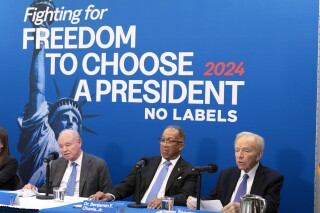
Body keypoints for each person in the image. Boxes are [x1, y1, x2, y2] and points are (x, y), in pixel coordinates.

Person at [17, 0, 90, 187]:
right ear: (52, 121)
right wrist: (40, 37)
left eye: (76, 121)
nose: (71, 123)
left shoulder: (91, 164)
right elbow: (37, 88)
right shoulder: (42, 136)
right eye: (65, 118)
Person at [89, 125, 197, 208]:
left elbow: (185, 196)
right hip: (138, 210)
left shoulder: (189, 170)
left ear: (180, 146)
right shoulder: (146, 162)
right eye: (163, 140)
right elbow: (127, 185)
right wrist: (109, 195)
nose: (164, 144)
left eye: (170, 141)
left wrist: (164, 200)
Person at [187, 131, 284, 213]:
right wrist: (196, 203)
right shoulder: (226, 174)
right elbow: (213, 198)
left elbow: (271, 207)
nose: (239, 155)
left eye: (246, 151)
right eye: (237, 150)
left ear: (259, 155)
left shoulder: (272, 178)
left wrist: (243, 208)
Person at [23, 129, 112, 197]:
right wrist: (34, 189)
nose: (64, 150)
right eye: (61, 146)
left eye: (68, 145)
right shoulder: (56, 164)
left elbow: (106, 194)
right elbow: (47, 190)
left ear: (79, 142)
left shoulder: (97, 164)